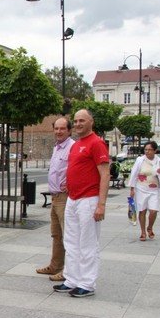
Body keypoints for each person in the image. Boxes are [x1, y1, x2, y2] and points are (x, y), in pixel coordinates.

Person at [53, 109, 109, 298]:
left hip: (89, 199)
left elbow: (104, 174)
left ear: (91, 121)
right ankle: (72, 279)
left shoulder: (97, 143)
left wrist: (101, 204)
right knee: (71, 241)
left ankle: (87, 283)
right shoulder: (76, 145)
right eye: (76, 121)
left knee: (87, 243)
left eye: (82, 121)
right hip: (73, 199)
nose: (77, 124)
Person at [36, 117, 74, 282]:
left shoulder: (72, 147)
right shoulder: (57, 147)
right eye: (56, 129)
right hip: (55, 197)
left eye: (62, 129)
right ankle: (55, 265)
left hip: (65, 198)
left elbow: (77, 168)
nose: (58, 132)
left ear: (69, 130)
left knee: (68, 235)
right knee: (56, 234)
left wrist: (72, 183)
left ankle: (68, 271)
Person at [128, 141, 160, 240]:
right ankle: (143, 232)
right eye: (146, 149)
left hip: (154, 190)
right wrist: (132, 188)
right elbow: (134, 173)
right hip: (141, 188)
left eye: (150, 149)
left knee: (154, 211)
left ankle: (150, 227)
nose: (147, 151)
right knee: (142, 210)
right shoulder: (140, 160)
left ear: (155, 150)